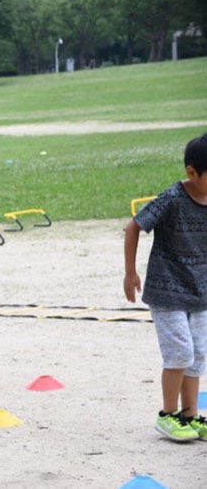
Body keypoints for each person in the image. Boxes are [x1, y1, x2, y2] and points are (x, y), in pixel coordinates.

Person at [123, 132, 207, 442]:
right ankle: (168, 415)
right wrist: (130, 273)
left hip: (199, 292)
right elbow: (134, 227)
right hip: (167, 289)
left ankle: (191, 416)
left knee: (197, 355)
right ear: (191, 172)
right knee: (180, 354)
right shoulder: (172, 198)